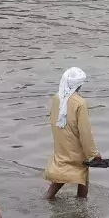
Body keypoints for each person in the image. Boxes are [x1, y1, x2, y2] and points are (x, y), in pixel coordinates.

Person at [44, 67, 102, 200]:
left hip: (61, 143)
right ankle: (82, 207)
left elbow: (53, 119)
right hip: (76, 147)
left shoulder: (57, 97)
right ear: (79, 84)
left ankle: (47, 198)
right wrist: (93, 154)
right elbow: (85, 132)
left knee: (60, 173)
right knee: (83, 175)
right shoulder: (80, 103)